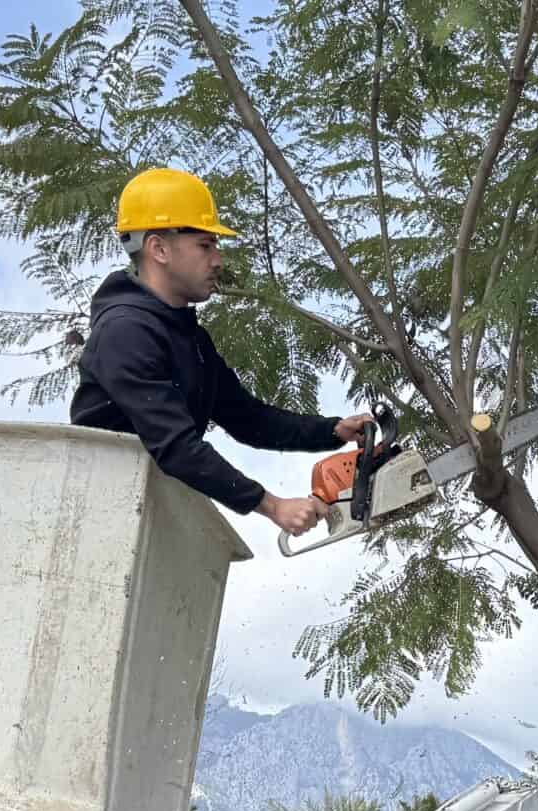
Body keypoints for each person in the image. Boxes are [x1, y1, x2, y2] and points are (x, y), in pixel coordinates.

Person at [71, 167, 372, 536]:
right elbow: (176, 446)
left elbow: (247, 418)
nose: (217, 260)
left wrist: (333, 431)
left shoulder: (190, 338)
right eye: (205, 245)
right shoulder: (125, 332)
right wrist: (272, 506)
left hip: (143, 512)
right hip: (97, 516)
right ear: (159, 249)